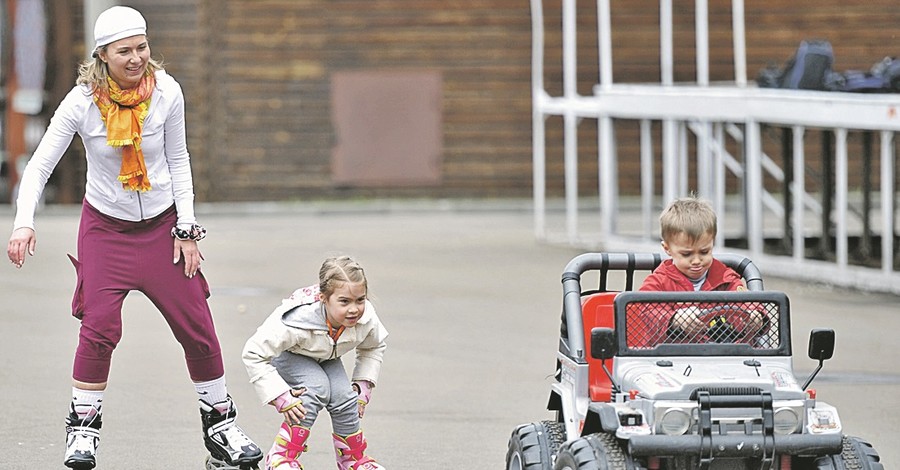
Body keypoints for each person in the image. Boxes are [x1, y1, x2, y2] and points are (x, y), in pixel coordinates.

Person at [5, 6, 262, 469]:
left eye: (142, 47)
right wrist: (24, 221)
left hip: (164, 228)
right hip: (106, 230)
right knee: (99, 329)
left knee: (198, 327)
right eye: (124, 50)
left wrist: (186, 227)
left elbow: (179, 160)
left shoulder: (166, 92)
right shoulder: (81, 102)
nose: (136, 57)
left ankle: (221, 426)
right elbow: (41, 165)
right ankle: (83, 430)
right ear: (103, 55)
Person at [242, 255, 388, 470]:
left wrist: (363, 383)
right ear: (324, 298)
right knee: (314, 389)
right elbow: (253, 352)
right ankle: (280, 457)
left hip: (326, 355)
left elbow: (373, 346)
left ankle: (352, 460)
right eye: (344, 301)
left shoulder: (366, 318)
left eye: (360, 300)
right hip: (291, 354)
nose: (354, 309)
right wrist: (280, 395)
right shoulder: (294, 321)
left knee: (345, 397)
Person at [637, 196, 765, 344]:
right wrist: (674, 319)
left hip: (724, 356)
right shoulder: (658, 282)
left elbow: (746, 301)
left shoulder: (725, 278)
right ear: (667, 249)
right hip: (673, 359)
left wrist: (753, 316)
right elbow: (646, 311)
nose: (697, 261)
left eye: (704, 252)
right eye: (687, 254)